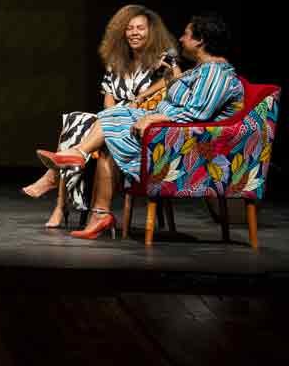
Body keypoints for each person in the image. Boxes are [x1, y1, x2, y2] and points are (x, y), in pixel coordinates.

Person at [37, 13, 244, 239]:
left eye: (186, 34)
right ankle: (97, 206)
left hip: (178, 148)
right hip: (165, 135)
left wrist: (155, 118)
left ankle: (78, 162)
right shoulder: (201, 70)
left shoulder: (215, 72)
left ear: (200, 40)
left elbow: (197, 113)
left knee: (110, 128)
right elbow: (185, 100)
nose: (181, 39)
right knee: (111, 120)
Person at [22, 5, 179, 227]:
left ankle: (55, 184)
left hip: (139, 125)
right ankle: (59, 199)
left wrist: (148, 90)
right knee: (77, 119)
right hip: (113, 120)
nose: (134, 32)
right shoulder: (116, 63)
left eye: (140, 28)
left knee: (80, 124)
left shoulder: (161, 60)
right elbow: (108, 103)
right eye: (129, 28)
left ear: (151, 31)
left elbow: (178, 85)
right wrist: (106, 119)